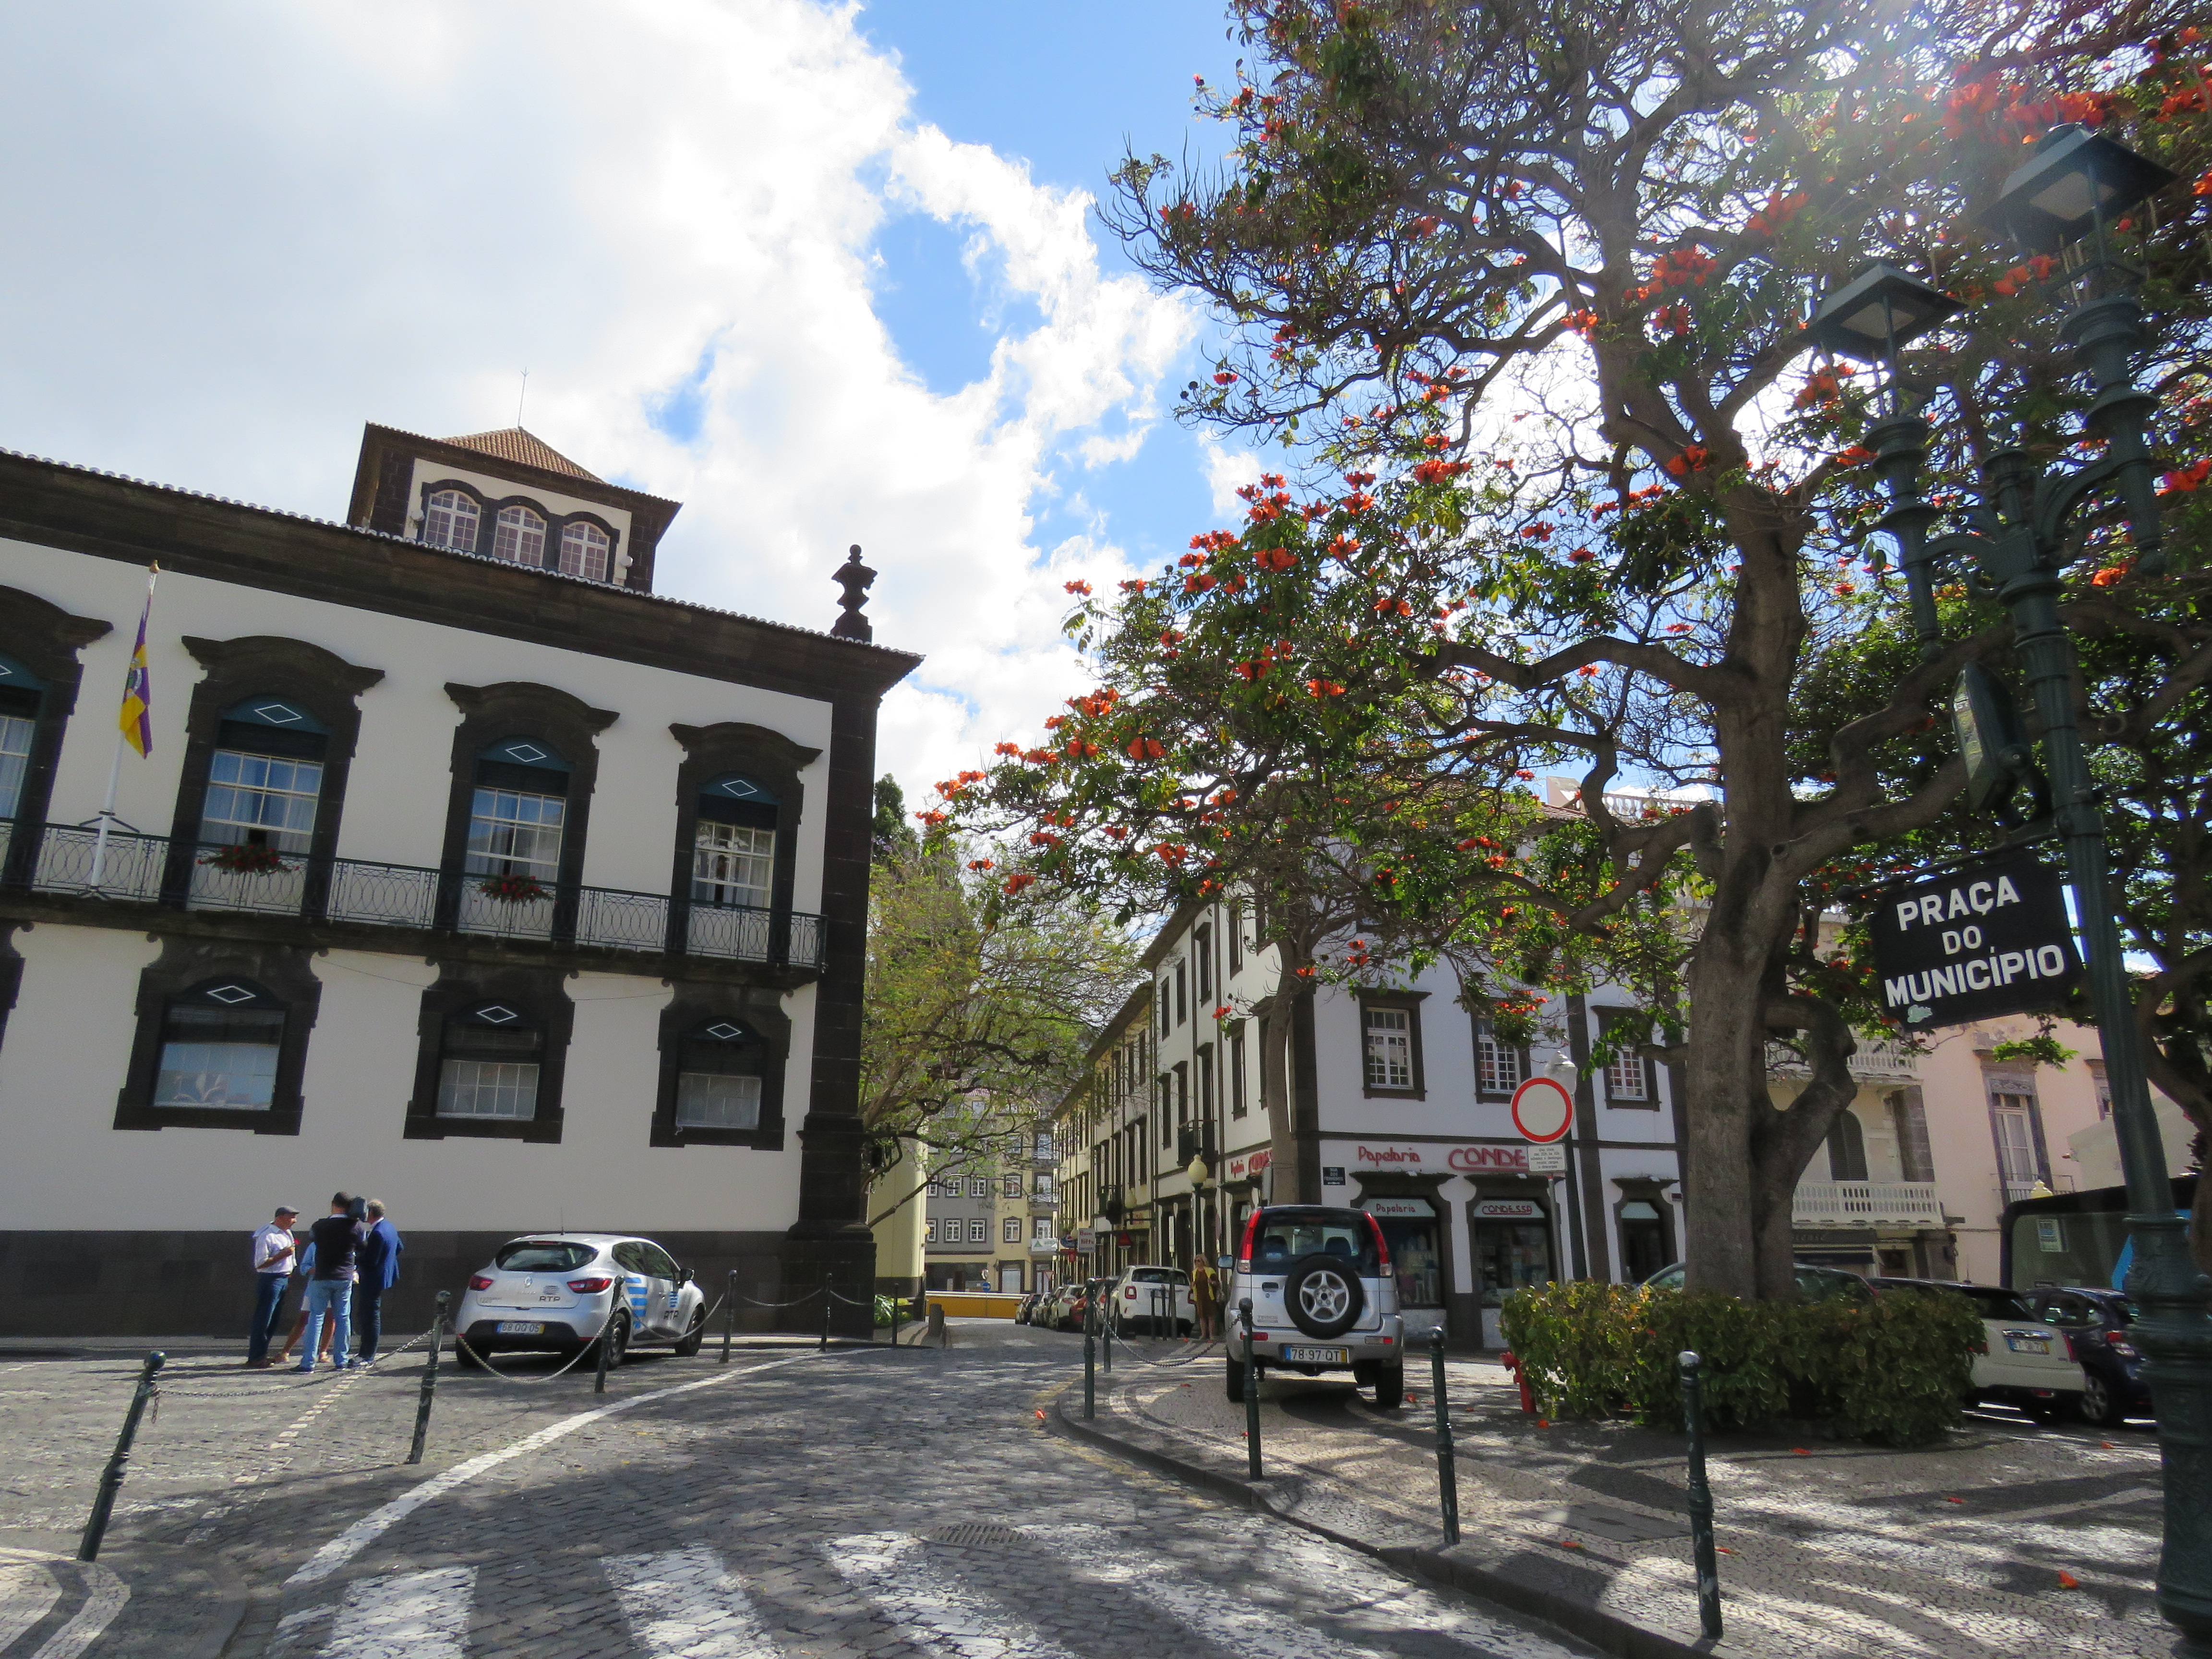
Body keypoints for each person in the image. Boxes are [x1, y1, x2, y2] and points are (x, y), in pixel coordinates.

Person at [295, 1192, 362, 1372]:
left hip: (322, 1275)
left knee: (316, 1318)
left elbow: (315, 1240)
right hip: (344, 1276)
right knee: (343, 1318)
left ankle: (308, 1362)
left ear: (333, 1204)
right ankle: (341, 1359)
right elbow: (362, 1247)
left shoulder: (319, 1226)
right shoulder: (356, 1226)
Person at [246, 1205, 299, 1368]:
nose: (294, 1221)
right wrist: (281, 1255)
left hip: (283, 1279)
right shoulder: (267, 1236)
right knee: (264, 1319)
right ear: (280, 1218)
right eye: (291, 1217)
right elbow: (260, 1263)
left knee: (273, 1320)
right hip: (270, 1280)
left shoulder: (287, 1233)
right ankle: (256, 1357)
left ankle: (262, 1355)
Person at [353, 1200, 403, 1365]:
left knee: (369, 1317)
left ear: (371, 1213)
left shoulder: (378, 1233)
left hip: (373, 1280)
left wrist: (354, 1259)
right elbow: (399, 1247)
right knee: (371, 1314)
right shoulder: (389, 1227)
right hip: (382, 1277)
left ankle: (367, 1355)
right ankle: (367, 1353)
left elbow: (370, 1261)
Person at [1190, 1257, 1220, 1344]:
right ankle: (1203, 1335)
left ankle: (1211, 1335)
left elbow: (1217, 1283)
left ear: (1203, 1262)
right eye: (1196, 1261)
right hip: (1199, 1297)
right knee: (1202, 1316)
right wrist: (1192, 1285)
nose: (1197, 1263)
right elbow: (1192, 1286)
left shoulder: (1210, 1271)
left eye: (1199, 1261)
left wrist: (1212, 1282)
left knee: (1211, 1316)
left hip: (1209, 1297)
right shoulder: (1194, 1272)